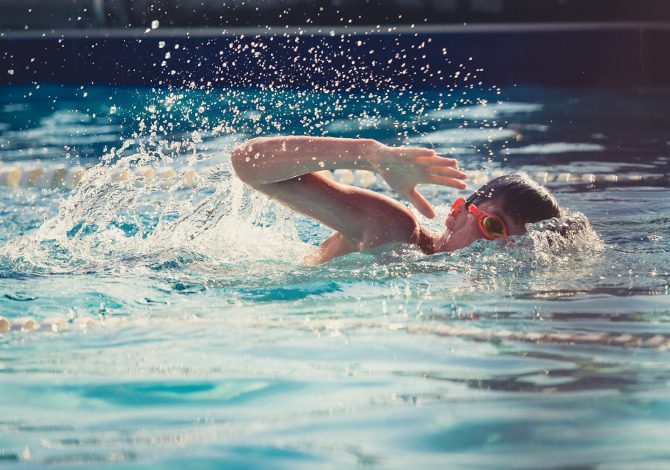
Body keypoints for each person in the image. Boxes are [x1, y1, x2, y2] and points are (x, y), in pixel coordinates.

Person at [232, 136, 561, 264]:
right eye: (492, 226)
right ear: (456, 213)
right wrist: (368, 155)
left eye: (513, 246)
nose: (494, 252)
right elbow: (246, 162)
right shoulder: (394, 229)